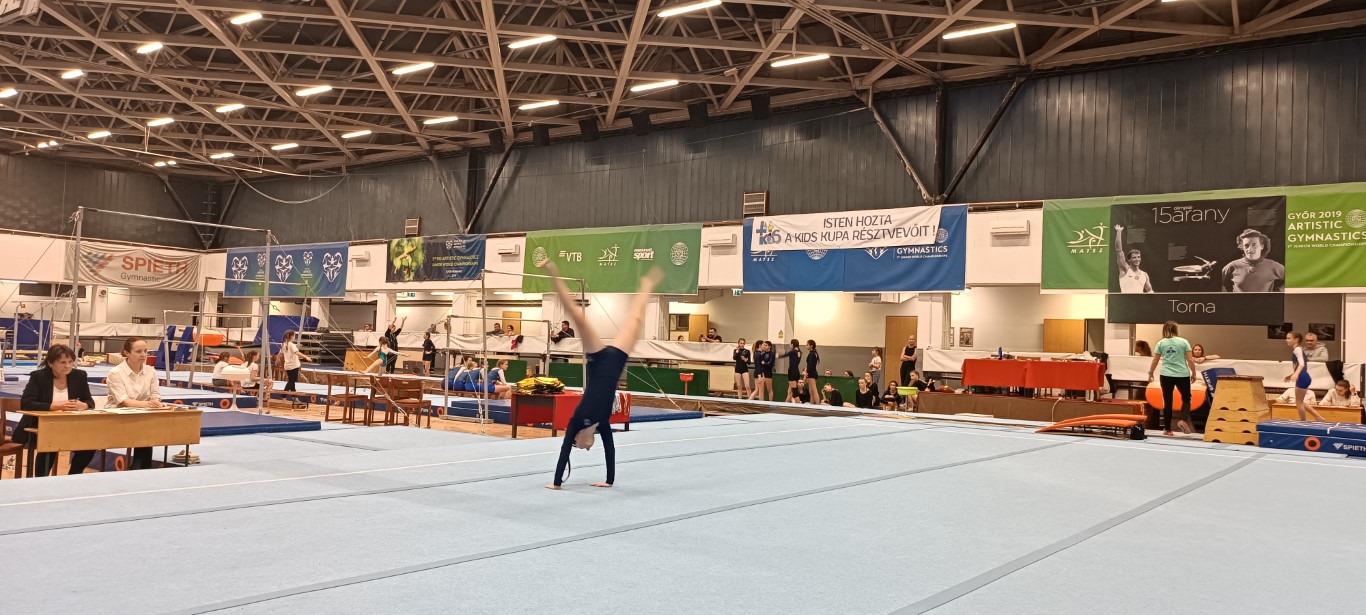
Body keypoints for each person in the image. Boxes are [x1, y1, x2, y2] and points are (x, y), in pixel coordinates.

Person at [546, 261, 663, 490]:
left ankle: (553, 272)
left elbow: (564, 450)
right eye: (586, 448)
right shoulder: (603, 424)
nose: (587, 448)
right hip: (617, 360)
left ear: (577, 438)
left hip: (598, 360)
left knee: (577, 318)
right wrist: (609, 481)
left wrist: (556, 483)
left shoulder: (576, 422)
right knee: (636, 321)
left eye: (581, 447)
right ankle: (647, 285)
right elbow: (610, 449)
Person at [17, 345, 98, 477]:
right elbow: (26, 403)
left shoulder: (80, 375)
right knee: (50, 443)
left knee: (90, 443)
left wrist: (83, 405)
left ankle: (73, 476)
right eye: (62, 362)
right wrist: (56, 406)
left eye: (70, 362)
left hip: (71, 425)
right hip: (42, 426)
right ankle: (41, 479)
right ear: (50, 363)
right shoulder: (39, 377)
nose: (67, 366)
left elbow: (89, 401)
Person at [106, 338, 164, 470]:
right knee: (143, 426)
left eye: (145, 351)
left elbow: (155, 394)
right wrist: (148, 404)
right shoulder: (115, 372)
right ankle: (139, 466)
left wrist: (156, 402)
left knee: (147, 426)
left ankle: (142, 466)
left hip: (144, 415)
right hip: (118, 416)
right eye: (138, 351)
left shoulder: (151, 371)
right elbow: (124, 401)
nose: (143, 355)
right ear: (126, 353)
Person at [1147, 321, 1197, 436]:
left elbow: (1155, 360)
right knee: (1186, 398)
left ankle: (1168, 429)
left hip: (1166, 375)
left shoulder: (1161, 343)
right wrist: (1194, 373)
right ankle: (1183, 419)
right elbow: (1190, 359)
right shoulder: (1184, 341)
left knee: (1168, 401)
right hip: (1182, 374)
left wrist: (1151, 373)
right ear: (1176, 329)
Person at [1284, 331, 1326, 422]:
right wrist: (1291, 374)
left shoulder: (1297, 349)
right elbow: (1299, 364)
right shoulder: (1298, 349)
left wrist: (1296, 374)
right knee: (1300, 401)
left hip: (1302, 377)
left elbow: (1302, 364)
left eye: (1289, 338)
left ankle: (1302, 421)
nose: (1286, 340)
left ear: (1296, 340)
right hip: (1303, 376)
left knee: (1298, 402)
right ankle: (1318, 417)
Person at [1113, 224, 1153, 293]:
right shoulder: (1125, 269)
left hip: (1140, 300)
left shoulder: (1144, 275)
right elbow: (1118, 250)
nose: (1137, 259)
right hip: (1125, 300)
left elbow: (1150, 291)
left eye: (1139, 257)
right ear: (1129, 260)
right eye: (1134, 257)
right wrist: (1119, 231)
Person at [804, 340, 820, 405]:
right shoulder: (813, 353)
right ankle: (811, 404)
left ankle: (818, 405)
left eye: (807, 345)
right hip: (813, 373)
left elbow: (810, 366)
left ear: (811, 346)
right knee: (811, 392)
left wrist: (806, 374)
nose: (806, 346)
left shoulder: (812, 354)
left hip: (811, 374)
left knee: (814, 391)